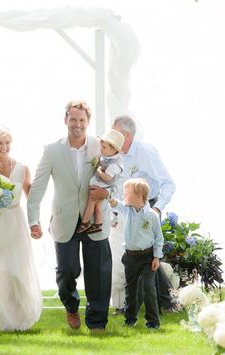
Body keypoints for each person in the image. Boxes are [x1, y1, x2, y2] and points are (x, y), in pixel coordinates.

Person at [27, 100, 111, 332]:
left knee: (99, 272)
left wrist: (107, 192)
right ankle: (71, 306)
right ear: (65, 120)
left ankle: (97, 322)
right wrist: (33, 220)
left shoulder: (100, 146)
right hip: (64, 220)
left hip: (96, 218)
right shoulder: (52, 150)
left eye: (82, 120)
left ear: (88, 122)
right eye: (73, 119)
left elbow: (117, 173)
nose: (77, 124)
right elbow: (38, 187)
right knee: (66, 271)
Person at [0, 126, 42, 331]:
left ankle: (22, 316)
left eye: (7, 143)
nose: (4, 147)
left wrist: (35, 222)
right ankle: (5, 319)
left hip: (14, 221)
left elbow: (32, 198)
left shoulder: (22, 168)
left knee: (16, 270)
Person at [110, 114, 176, 312]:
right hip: (128, 211)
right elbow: (117, 187)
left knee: (144, 257)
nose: (112, 137)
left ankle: (161, 302)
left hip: (149, 208)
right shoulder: (115, 153)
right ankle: (166, 301)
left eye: (117, 133)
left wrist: (156, 209)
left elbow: (168, 184)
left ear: (128, 135)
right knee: (136, 257)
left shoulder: (146, 153)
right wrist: (114, 215)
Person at [109, 178, 163, 329]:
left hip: (147, 257)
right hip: (130, 257)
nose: (124, 195)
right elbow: (115, 203)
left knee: (148, 288)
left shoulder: (151, 215)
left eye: (127, 193)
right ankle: (130, 319)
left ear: (139, 196)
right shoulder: (127, 209)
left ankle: (153, 322)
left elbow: (159, 238)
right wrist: (107, 196)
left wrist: (156, 258)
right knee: (130, 289)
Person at [76, 129, 124, 234]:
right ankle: (98, 224)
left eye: (104, 147)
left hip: (102, 186)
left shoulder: (115, 164)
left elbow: (108, 178)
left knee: (91, 202)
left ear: (114, 150)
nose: (101, 149)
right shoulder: (107, 156)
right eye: (101, 146)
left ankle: (85, 223)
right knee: (97, 206)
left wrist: (99, 171)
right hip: (100, 184)